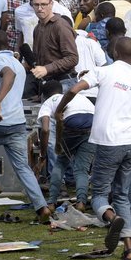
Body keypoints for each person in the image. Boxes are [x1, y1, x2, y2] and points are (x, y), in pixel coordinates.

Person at [56, 37, 131, 260]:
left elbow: (74, 89)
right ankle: (129, 250)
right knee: (121, 194)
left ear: (116, 52)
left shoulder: (104, 71)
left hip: (109, 142)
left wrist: (59, 110)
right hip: (130, 143)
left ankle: (111, 217)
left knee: (99, 194)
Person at [0, 30, 50, 221]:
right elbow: (8, 80)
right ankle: (42, 208)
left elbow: (8, 75)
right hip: (17, 122)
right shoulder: (17, 62)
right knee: (23, 167)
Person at [37, 80, 96, 210]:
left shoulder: (48, 102)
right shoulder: (79, 97)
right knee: (82, 169)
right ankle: (81, 202)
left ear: (44, 95)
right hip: (93, 127)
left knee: (60, 163)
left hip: (71, 127)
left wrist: (43, 153)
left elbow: (45, 130)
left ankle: (51, 202)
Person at [30, 0, 79, 83]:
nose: (40, 8)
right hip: (47, 83)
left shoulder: (60, 26)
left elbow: (73, 58)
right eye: (36, 5)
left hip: (64, 81)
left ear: (51, 4)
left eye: (43, 4)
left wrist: (47, 69)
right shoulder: (37, 28)